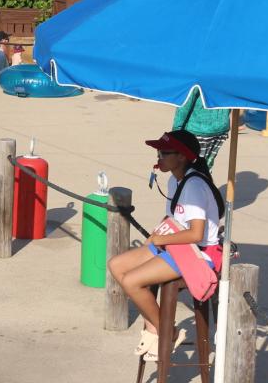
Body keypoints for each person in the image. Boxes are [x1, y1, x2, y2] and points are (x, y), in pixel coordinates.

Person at [108, 130, 225, 363]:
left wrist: (160, 240)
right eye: (158, 152)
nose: (158, 156)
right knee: (116, 265)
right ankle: (155, 326)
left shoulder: (194, 186)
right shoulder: (175, 179)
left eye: (164, 152)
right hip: (176, 243)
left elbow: (196, 233)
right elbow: (173, 217)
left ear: (181, 157)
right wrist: (158, 232)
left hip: (199, 253)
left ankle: (167, 333)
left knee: (132, 281)